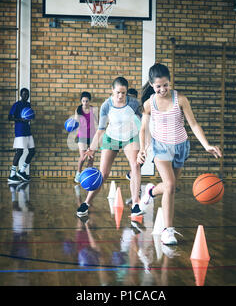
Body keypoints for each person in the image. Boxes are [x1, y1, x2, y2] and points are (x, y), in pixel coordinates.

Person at [137, 63, 222, 245]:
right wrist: (142, 150)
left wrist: (206, 144)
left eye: (166, 85)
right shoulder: (148, 104)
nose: (162, 89)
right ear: (152, 85)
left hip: (181, 146)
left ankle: (151, 191)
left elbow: (193, 124)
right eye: (158, 86)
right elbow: (143, 129)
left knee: (171, 187)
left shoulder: (180, 99)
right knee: (169, 185)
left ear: (170, 81)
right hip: (161, 147)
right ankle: (168, 231)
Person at [76, 77, 144, 218]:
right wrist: (92, 148)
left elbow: (142, 126)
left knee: (135, 166)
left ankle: (136, 205)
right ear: (112, 90)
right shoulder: (106, 105)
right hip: (111, 137)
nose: (120, 96)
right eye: (118, 92)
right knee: (103, 173)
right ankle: (86, 203)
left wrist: (143, 147)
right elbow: (100, 130)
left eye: (123, 93)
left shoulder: (133, 103)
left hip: (130, 137)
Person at [7, 88, 36, 183]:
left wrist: (31, 116)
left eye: (27, 94)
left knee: (32, 151)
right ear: (21, 95)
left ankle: (22, 171)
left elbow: (30, 115)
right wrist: (21, 119)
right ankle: (12, 175)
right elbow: (9, 117)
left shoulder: (28, 105)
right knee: (19, 152)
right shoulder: (16, 105)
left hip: (27, 130)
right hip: (19, 131)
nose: (26, 96)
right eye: (24, 94)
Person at [74, 91, 98, 183]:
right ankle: (78, 174)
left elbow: (96, 123)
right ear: (81, 101)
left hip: (92, 135)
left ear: (90, 101)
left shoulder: (94, 109)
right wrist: (76, 134)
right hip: (82, 135)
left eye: (87, 101)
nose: (85, 103)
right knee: (83, 157)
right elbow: (76, 123)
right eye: (83, 101)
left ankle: (88, 176)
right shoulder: (78, 110)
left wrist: (98, 136)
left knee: (91, 158)